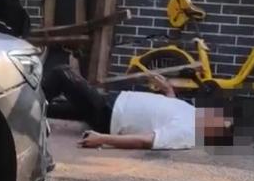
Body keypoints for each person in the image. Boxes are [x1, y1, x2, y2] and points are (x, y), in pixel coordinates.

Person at [42, 65, 233, 151]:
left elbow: (146, 141)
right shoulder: (194, 115)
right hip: (116, 102)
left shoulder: (188, 132)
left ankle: (26, 107)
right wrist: (168, 90)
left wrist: (102, 139)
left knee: (62, 74)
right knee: (50, 109)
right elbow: (170, 110)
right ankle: (29, 112)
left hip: (109, 115)